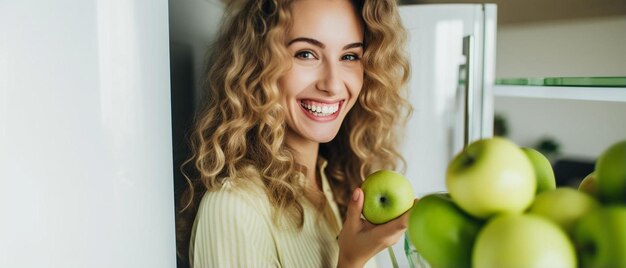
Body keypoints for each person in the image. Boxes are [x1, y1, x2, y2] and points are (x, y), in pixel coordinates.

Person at [177, 0, 413, 267]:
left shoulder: (334, 185)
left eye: (349, 56)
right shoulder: (232, 209)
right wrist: (350, 261)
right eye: (306, 54)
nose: (333, 84)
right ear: (259, 64)